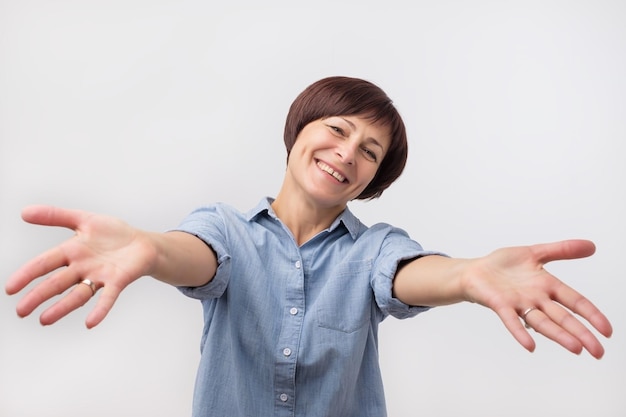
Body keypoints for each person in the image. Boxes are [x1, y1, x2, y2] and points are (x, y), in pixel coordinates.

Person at [5, 76, 613, 417]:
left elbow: (410, 274)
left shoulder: (375, 248)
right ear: (300, 131)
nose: (348, 154)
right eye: (338, 130)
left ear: (374, 179)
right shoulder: (227, 228)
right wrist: (147, 249)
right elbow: (194, 255)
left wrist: (470, 275)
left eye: (370, 152)